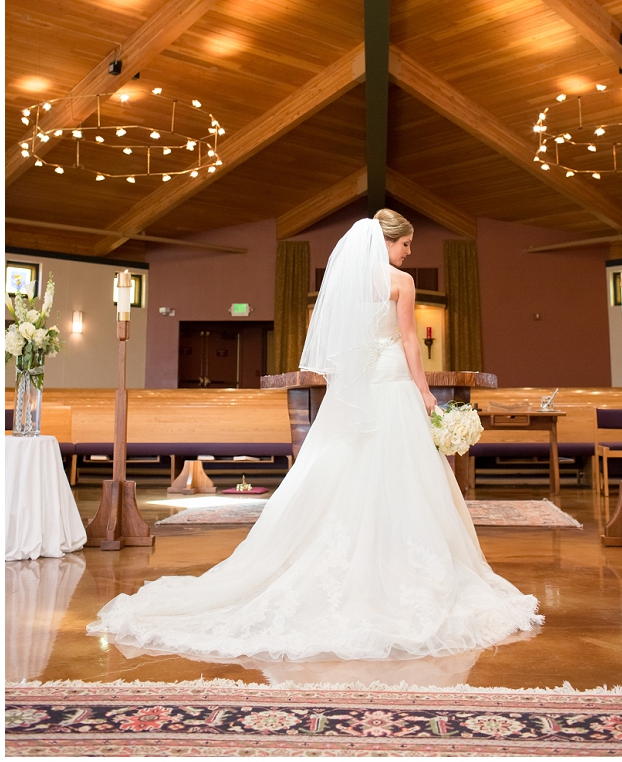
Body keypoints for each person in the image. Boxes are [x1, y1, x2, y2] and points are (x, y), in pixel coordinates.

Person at [89, 209, 540, 663]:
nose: (408, 252)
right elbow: (407, 340)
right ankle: (398, 564)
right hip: (392, 382)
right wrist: (424, 391)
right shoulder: (400, 283)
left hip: (355, 387)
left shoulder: (345, 282)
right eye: (405, 244)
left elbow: (338, 345)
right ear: (388, 243)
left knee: (342, 466)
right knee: (402, 473)